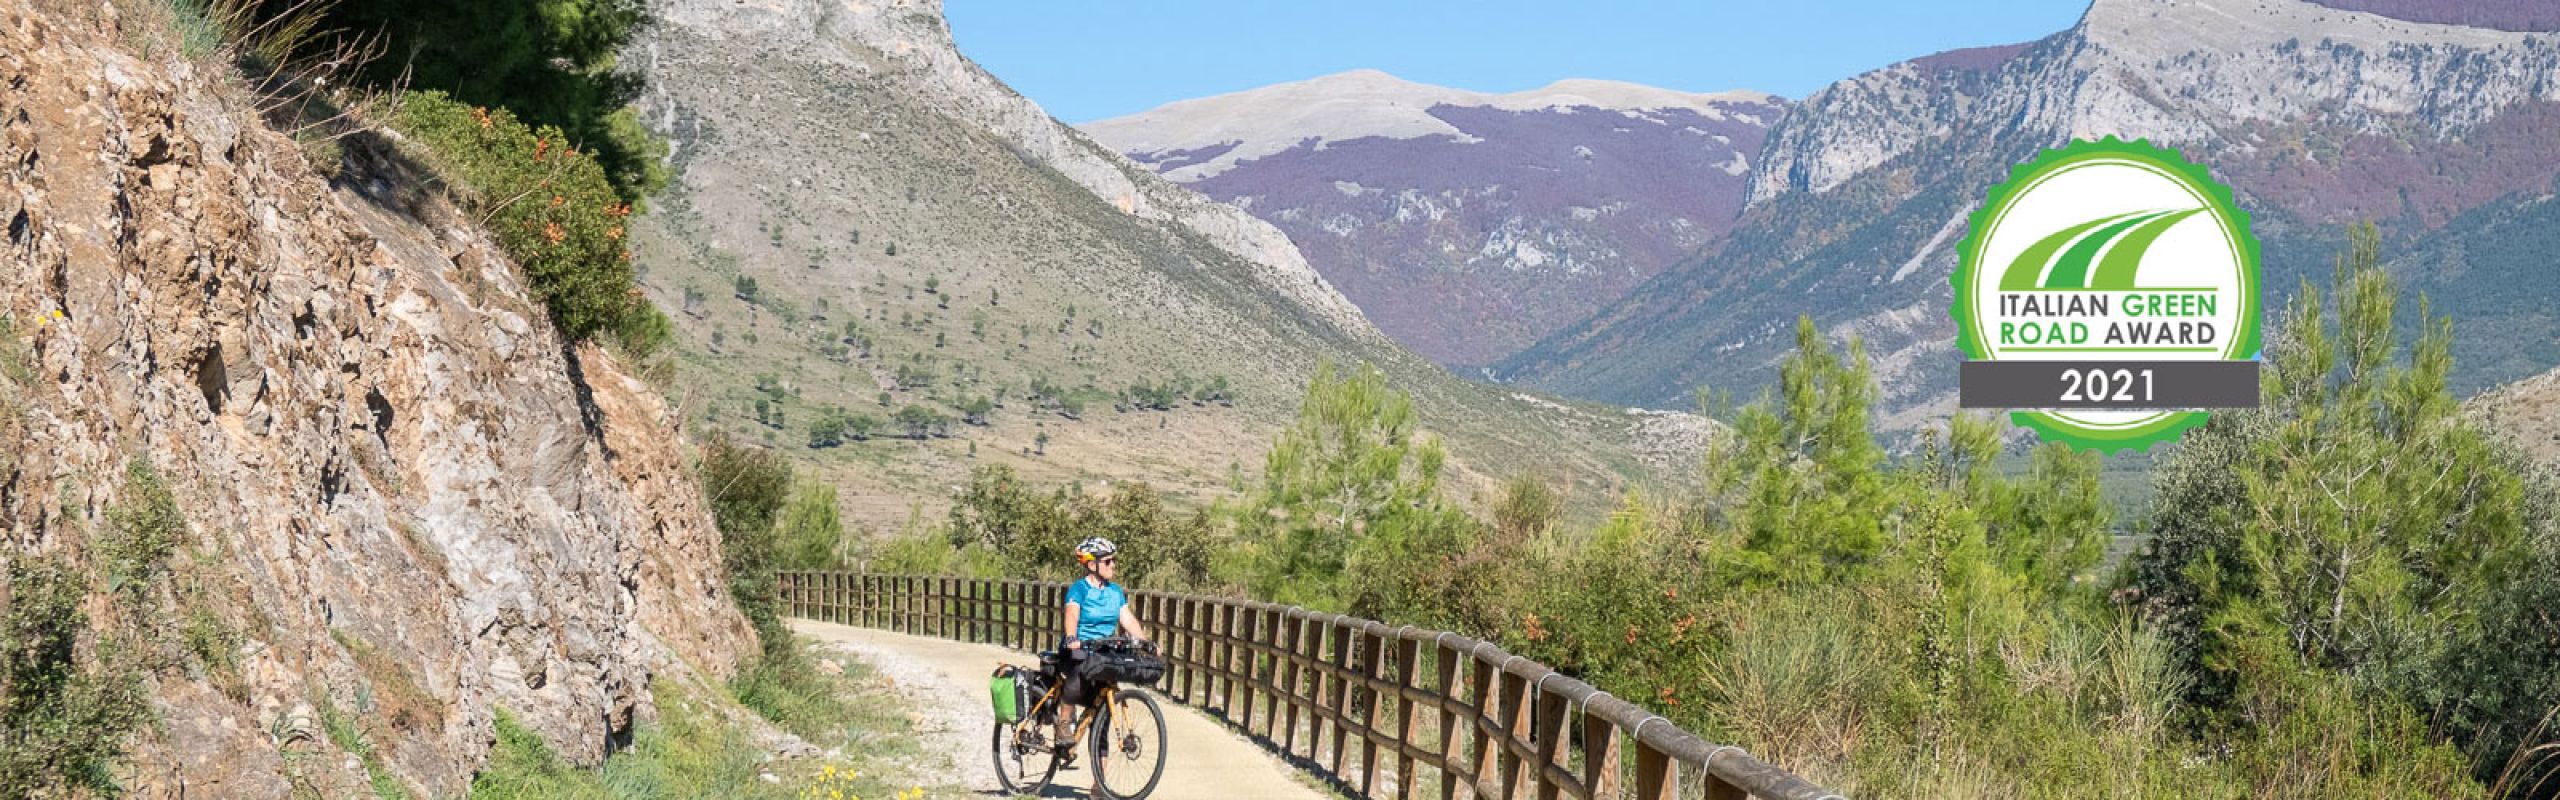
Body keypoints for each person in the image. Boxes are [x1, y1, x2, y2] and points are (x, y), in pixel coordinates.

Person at [1054, 536, 1146, 767]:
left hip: (1104, 655)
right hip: (1079, 649)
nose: (1113, 565)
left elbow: (1128, 620)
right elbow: (1071, 614)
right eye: (1108, 561)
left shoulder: (1115, 592)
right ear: (1092, 565)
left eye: (1113, 561)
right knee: (1077, 677)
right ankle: (1064, 722)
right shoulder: (1079, 589)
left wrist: (1145, 641)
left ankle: (1099, 786)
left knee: (1103, 722)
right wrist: (1072, 637)